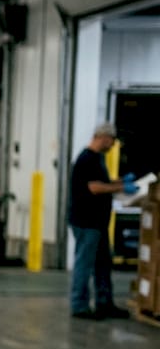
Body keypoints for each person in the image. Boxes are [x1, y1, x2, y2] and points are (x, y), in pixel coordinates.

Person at [68, 123, 137, 319]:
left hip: (97, 222)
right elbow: (94, 188)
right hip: (86, 222)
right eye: (112, 140)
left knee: (103, 264)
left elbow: (103, 182)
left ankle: (105, 303)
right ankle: (79, 305)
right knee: (85, 263)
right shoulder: (86, 159)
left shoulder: (98, 159)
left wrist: (122, 182)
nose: (113, 145)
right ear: (103, 137)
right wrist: (120, 189)